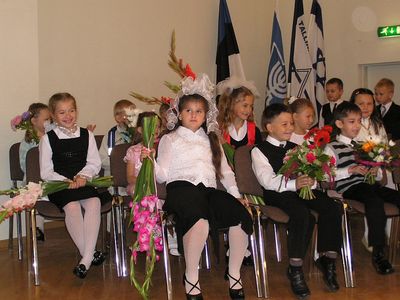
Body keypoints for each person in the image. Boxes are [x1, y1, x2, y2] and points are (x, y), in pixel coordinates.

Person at [155, 74, 252, 299]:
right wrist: (148, 161)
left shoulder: (212, 138)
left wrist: (236, 195)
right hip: (180, 189)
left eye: (199, 111)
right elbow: (162, 175)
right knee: (199, 220)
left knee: (240, 215)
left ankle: (234, 273)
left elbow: (225, 172)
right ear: (179, 114)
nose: (194, 115)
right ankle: (191, 276)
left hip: (208, 190)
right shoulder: (170, 139)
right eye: (188, 110)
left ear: (206, 115)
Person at [252, 103, 342, 298]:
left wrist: (311, 180)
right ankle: (296, 268)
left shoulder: (297, 147)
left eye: (291, 123)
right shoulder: (259, 150)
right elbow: (267, 181)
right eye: (284, 124)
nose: (290, 128)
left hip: (300, 190)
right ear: (269, 127)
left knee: (332, 208)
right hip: (278, 194)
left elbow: (309, 170)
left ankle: (328, 259)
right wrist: (295, 184)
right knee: (303, 215)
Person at [325, 101, 400, 275]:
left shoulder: (363, 147)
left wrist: (377, 171)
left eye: (359, 121)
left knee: (395, 196)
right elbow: (326, 175)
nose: (357, 125)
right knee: (374, 201)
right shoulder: (331, 147)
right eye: (352, 121)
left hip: (369, 185)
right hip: (351, 188)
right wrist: (349, 170)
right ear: (339, 124)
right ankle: (378, 254)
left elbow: (379, 177)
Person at [39, 92, 106, 279]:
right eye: (62, 112)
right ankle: (90, 254)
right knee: (73, 207)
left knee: (94, 202)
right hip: (61, 185)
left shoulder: (87, 135)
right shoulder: (47, 139)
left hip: (83, 181)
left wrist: (84, 176)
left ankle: (85, 259)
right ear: (53, 115)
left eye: (71, 110)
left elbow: (94, 163)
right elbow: (46, 171)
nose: (68, 116)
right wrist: (65, 181)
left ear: (76, 111)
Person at [19, 102, 51, 241]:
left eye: (50, 119)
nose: (49, 122)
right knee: (35, 193)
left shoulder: (52, 138)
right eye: (46, 119)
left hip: (50, 178)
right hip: (34, 181)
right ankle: (36, 229)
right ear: (33, 120)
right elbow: (23, 164)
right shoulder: (27, 142)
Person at [217, 76, 262, 149]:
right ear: (231, 104)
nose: (249, 110)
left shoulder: (254, 131)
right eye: (245, 105)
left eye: (251, 106)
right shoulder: (220, 129)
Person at [99, 99, 136, 175]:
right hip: (114, 177)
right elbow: (102, 160)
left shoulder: (137, 134)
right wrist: (120, 162)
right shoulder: (110, 136)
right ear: (118, 117)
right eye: (128, 115)